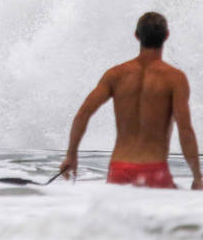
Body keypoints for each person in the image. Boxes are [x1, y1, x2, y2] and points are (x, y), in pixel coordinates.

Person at [59, 12, 202, 189]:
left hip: (119, 169)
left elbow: (83, 114)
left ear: (136, 36)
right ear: (166, 35)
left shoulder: (116, 74)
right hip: (154, 169)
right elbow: (185, 129)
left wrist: (71, 155)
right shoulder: (174, 78)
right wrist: (197, 176)